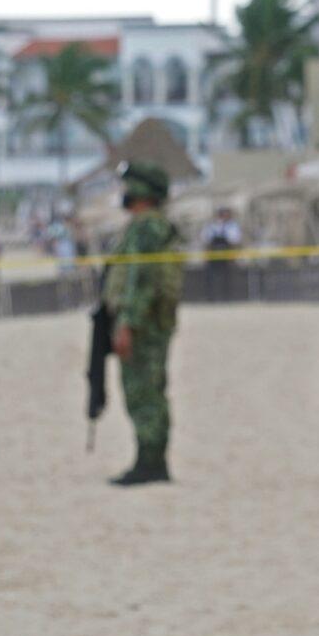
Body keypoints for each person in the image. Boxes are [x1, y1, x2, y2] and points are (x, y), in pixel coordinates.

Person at [102, 161, 183, 485]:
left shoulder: (146, 227)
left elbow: (142, 277)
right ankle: (152, 461)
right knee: (152, 391)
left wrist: (128, 324)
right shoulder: (155, 225)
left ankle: (150, 463)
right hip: (154, 322)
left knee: (143, 393)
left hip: (144, 325)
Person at [201, 206, 243, 299]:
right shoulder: (211, 226)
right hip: (213, 256)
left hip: (228, 257)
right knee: (211, 278)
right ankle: (211, 297)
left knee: (228, 278)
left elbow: (235, 241)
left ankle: (228, 297)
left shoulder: (233, 226)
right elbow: (206, 240)